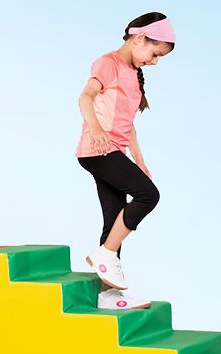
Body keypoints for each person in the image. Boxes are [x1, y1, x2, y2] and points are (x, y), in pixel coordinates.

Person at [76, 12, 175, 310]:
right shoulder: (108, 63)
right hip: (98, 150)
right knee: (148, 195)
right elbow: (85, 97)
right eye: (155, 54)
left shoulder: (133, 75)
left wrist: (140, 162)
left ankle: (107, 295)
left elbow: (128, 125)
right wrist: (95, 129)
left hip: (114, 151)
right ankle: (105, 253)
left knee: (114, 218)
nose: (154, 62)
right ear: (140, 38)